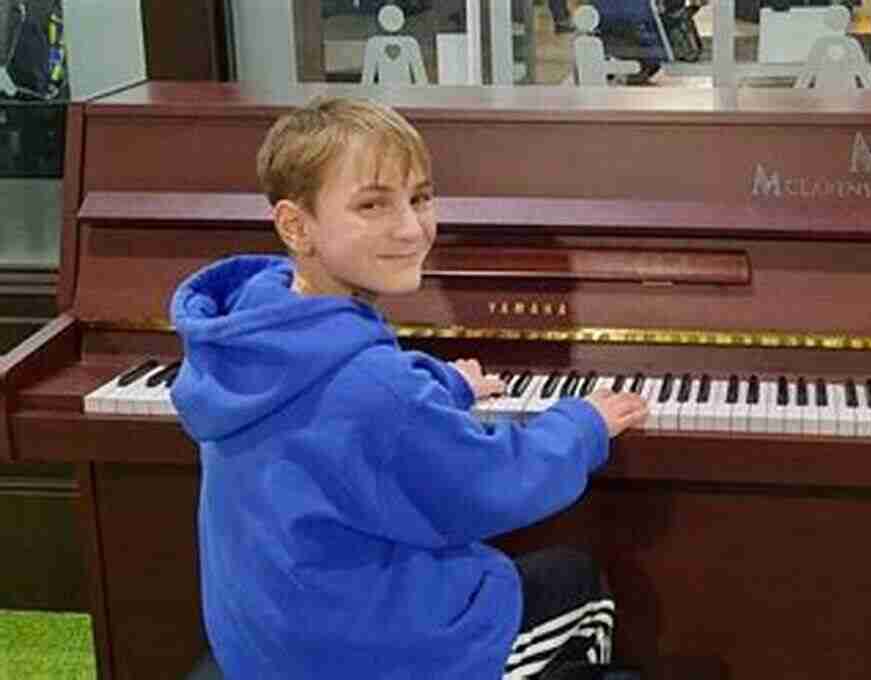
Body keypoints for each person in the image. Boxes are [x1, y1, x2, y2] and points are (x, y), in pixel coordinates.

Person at [169, 96, 649, 679]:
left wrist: (442, 382)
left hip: (274, 636)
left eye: (420, 198)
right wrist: (584, 424)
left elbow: (353, 405)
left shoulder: (252, 324)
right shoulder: (374, 388)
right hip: (365, 657)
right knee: (579, 582)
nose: (411, 227)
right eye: (372, 205)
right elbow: (491, 483)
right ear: (297, 225)